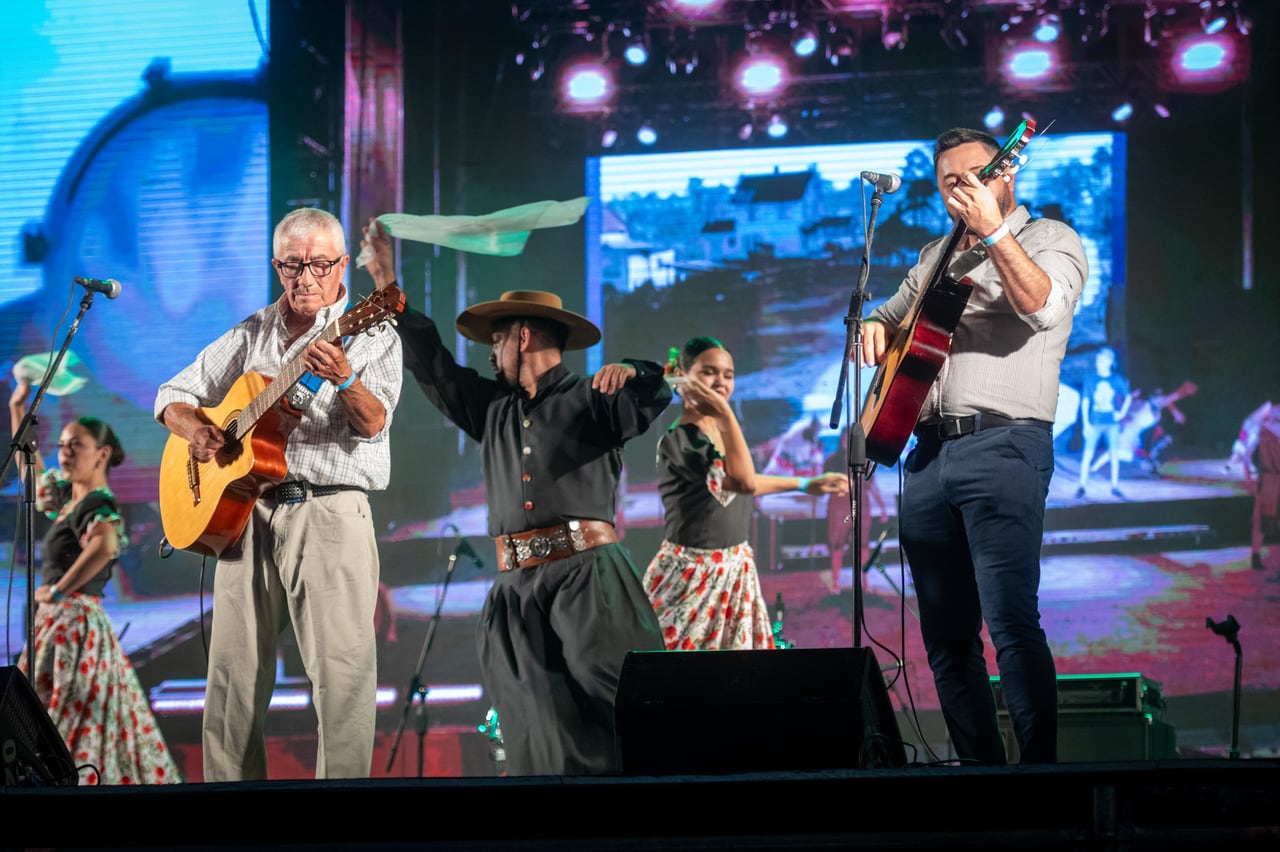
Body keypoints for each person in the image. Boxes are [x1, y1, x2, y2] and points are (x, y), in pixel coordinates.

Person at [360, 218, 670, 777]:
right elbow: (431, 364)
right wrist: (387, 285)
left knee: (623, 699)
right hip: (515, 591)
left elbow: (655, 393)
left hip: (586, 576)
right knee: (539, 726)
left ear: (523, 336)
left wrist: (636, 370)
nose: (492, 351)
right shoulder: (492, 408)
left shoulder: (593, 399)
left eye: (498, 339)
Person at [859, 127, 1088, 765]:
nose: (959, 189)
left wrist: (994, 233)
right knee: (945, 638)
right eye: (948, 182)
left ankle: (1042, 779)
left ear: (1004, 175)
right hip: (926, 455)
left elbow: (1043, 307)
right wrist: (875, 329)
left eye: (971, 177)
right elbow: (889, 312)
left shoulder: (1051, 239)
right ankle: (979, 779)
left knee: (1012, 624)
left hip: (1005, 445)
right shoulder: (934, 253)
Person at [154, 207, 403, 781]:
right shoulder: (253, 331)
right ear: (277, 266)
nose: (306, 277)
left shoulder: (373, 328)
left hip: (329, 511)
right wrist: (198, 431)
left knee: (341, 676)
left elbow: (373, 424)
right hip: (247, 513)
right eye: (293, 265)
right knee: (231, 681)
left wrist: (344, 378)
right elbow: (173, 392)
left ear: (343, 265)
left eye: (319, 264)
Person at [9, 375, 182, 785]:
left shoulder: (97, 502)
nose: (64, 453)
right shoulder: (72, 500)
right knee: (50, 716)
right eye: (62, 445)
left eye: (76, 446)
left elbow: (105, 545)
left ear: (101, 454)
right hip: (60, 625)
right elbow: (31, 471)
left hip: (74, 626)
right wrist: (19, 403)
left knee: (66, 720)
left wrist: (59, 589)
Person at [643, 336, 848, 650]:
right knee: (682, 680)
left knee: (737, 680)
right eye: (709, 372)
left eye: (728, 375)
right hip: (693, 577)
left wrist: (806, 484)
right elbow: (744, 483)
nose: (721, 382)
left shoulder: (715, 430)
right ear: (685, 377)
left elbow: (741, 481)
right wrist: (725, 415)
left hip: (735, 569)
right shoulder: (681, 439)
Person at [823, 429, 890, 597]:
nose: (848, 441)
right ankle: (836, 583)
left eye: (851, 439)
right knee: (837, 545)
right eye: (845, 438)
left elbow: (872, 486)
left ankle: (864, 583)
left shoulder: (865, 461)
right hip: (840, 508)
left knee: (863, 545)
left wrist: (882, 507)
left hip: (861, 506)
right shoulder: (832, 461)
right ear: (841, 440)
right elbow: (826, 484)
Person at [1075, 346, 1131, 500]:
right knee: (1087, 455)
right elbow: (1085, 401)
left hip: (1112, 423)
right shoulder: (1091, 379)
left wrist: (1122, 414)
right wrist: (1085, 423)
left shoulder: (1116, 379)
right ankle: (1082, 486)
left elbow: (1128, 397)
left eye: (1102, 360)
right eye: (1098, 360)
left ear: (1110, 362)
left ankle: (1114, 486)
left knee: (1114, 454)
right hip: (1094, 423)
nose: (1098, 363)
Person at [1250, 404, 1280, 572]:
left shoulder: (1262, 430)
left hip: (1267, 478)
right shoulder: (1267, 430)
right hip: (1271, 478)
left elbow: (1251, 455)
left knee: (1261, 520)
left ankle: (1255, 555)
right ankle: (1255, 556)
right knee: (1262, 520)